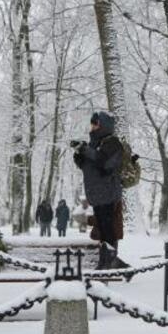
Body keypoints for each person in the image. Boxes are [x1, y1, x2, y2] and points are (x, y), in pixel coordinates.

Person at [73, 111, 124, 269]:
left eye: (96, 124)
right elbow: (88, 166)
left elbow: (104, 163)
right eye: (92, 123)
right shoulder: (93, 144)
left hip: (108, 194)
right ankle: (108, 262)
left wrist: (86, 151)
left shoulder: (112, 143)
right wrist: (79, 154)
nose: (93, 127)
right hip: (97, 195)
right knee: (102, 230)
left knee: (108, 229)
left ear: (103, 125)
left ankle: (111, 262)